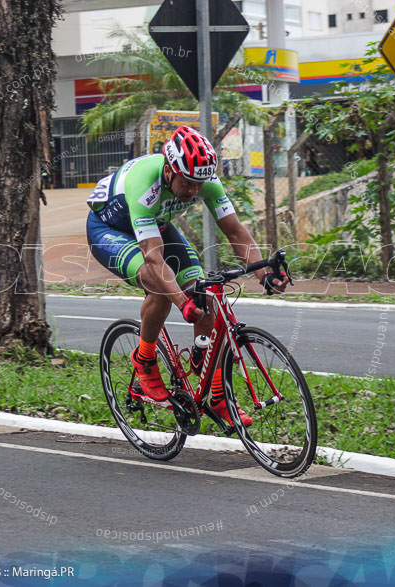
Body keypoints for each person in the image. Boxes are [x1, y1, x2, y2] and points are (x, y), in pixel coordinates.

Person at [86, 126, 289, 427]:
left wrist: (264, 272)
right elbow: (153, 257)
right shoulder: (146, 182)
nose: (195, 190)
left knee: (204, 293)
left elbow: (235, 232)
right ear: (169, 170)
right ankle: (144, 358)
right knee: (161, 289)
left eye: (200, 183)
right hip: (110, 230)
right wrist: (181, 302)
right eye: (188, 183)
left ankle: (217, 395)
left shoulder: (204, 180)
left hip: (158, 226)